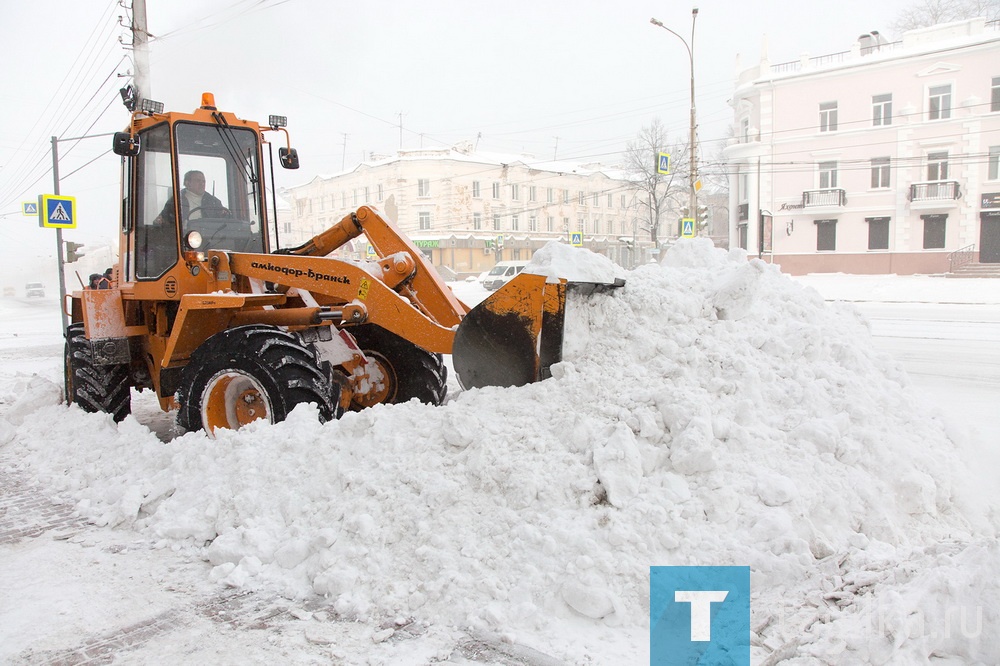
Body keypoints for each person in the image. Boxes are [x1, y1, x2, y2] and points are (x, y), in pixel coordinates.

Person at [153, 170, 228, 226]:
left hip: (209, 240)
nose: (202, 184)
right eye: (198, 181)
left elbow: (223, 223)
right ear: (187, 183)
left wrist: (225, 215)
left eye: (203, 181)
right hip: (183, 239)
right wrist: (160, 222)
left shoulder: (214, 202)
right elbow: (163, 220)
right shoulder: (176, 200)